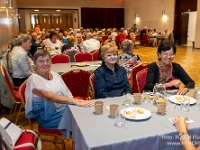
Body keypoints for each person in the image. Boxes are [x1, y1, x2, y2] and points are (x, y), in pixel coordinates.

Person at [25, 50, 94, 129]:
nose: (45, 63)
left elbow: (66, 91)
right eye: (41, 61)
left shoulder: (54, 74)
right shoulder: (34, 79)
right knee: (82, 120)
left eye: (48, 60)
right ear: (34, 63)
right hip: (48, 117)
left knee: (87, 111)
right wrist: (73, 101)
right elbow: (50, 97)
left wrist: (75, 102)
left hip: (63, 109)